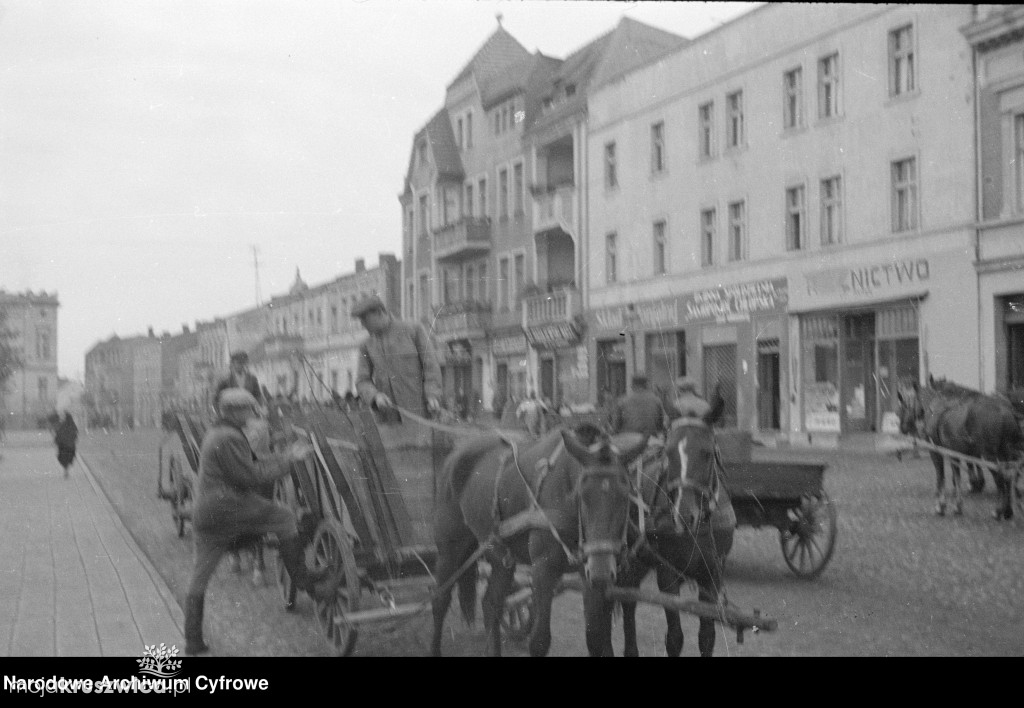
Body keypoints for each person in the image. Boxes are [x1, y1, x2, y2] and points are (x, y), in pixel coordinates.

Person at [183, 389, 341, 655]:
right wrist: (290, 460)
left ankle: (193, 641)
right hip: (228, 506)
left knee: (199, 579)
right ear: (233, 412)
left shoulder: (218, 433)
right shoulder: (230, 436)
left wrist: (285, 454)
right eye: (248, 409)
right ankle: (306, 583)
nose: (253, 413)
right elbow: (251, 476)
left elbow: (255, 460)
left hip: (206, 515)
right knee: (285, 517)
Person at [352, 294, 442, 423]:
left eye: (365, 319)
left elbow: (431, 367)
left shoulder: (413, 330)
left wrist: (433, 395)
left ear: (379, 312)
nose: (362, 325)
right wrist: (375, 396)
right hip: (387, 419)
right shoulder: (366, 345)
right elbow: (362, 380)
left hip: (419, 416)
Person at [608, 375, 668, 441]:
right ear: (647, 385)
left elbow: (615, 427)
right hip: (650, 441)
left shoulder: (622, 401)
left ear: (632, 386)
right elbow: (662, 425)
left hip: (629, 442)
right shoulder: (656, 400)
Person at [54, 410, 79, 478]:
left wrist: (57, 441)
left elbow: (58, 434)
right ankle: (66, 470)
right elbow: (75, 434)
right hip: (70, 446)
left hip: (63, 446)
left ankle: (65, 470)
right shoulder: (72, 425)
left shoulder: (62, 424)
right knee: (68, 458)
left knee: (63, 458)